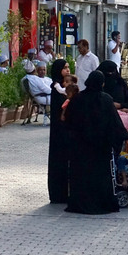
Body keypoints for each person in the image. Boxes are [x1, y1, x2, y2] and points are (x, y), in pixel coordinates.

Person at [63, 71, 128, 214]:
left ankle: (80, 203)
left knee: (82, 176)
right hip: (100, 148)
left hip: (80, 148)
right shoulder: (105, 99)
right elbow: (115, 122)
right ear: (101, 83)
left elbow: (68, 121)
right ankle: (100, 203)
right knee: (99, 176)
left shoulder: (77, 99)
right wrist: (125, 137)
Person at [48, 59, 72, 204]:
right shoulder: (56, 88)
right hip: (59, 130)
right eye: (64, 68)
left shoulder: (66, 86)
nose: (67, 70)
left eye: (68, 67)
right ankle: (59, 193)